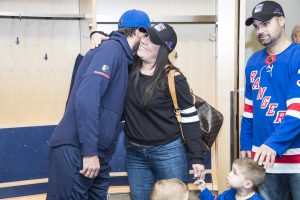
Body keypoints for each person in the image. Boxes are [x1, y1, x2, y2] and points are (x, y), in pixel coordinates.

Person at [46, 9, 151, 200]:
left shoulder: (122, 56)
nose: (147, 42)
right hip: (78, 150)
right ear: (138, 33)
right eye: (146, 36)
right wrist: (89, 152)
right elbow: (86, 99)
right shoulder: (112, 50)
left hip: (95, 154)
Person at [124, 22, 205, 200]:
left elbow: (190, 120)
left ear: (163, 49)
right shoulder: (129, 69)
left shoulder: (174, 78)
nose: (143, 41)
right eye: (144, 36)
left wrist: (197, 158)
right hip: (134, 153)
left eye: (151, 39)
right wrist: (96, 34)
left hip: (168, 153)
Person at [240, 1, 300, 200]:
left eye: (265, 24)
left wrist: (273, 144)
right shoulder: (254, 61)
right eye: (256, 26)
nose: (259, 31)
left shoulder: (297, 56)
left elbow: (296, 112)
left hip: (295, 159)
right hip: (263, 160)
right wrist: (245, 144)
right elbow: (249, 110)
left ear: (281, 20)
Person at [195, 158, 265, 200]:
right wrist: (203, 189)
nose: (229, 174)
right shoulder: (228, 194)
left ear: (247, 184)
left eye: (235, 173)